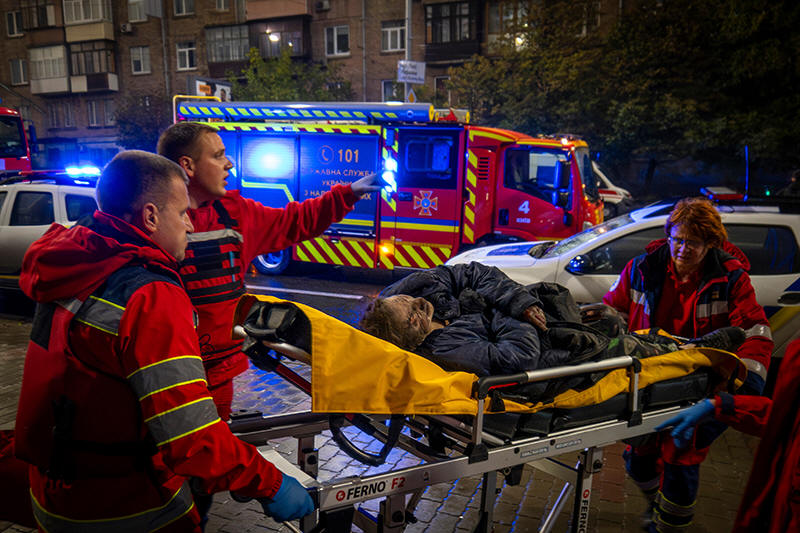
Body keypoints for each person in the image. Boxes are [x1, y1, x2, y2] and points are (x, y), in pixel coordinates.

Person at [14, 151, 313, 531]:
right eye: (182, 212)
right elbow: (191, 437)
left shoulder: (76, 260)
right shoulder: (150, 295)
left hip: (53, 495)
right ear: (151, 216)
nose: (190, 224)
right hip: (127, 508)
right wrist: (269, 482)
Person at [157, 121, 381, 421]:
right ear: (188, 165)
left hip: (219, 372)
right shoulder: (155, 220)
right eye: (218, 155)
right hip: (169, 371)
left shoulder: (235, 213)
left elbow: (294, 221)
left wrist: (348, 194)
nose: (229, 163)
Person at [603, 196, 773, 533]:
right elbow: (615, 310)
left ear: (710, 243)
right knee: (638, 458)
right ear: (668, 236)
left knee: (681, 456)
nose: (683, 249)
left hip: (698, 387)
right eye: (677, 239)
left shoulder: (730, 279)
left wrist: (748, 385)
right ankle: (656, 504)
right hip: (647, 382)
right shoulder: (641, 269)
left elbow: (755, 331)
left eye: (693, 242)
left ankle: (670, 527)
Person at [359, 261, 744, 401]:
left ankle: (671, 342)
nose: (413, 297)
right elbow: (518, 358)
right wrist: (506, 311)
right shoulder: (448, 347)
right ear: (414, 324)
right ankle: (694, 353)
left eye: (403, 297)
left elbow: (471, 272)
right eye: (408, 304)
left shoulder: (415, 298)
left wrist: (516, 301)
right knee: (623, 348)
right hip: (547, 365)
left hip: (537, 337)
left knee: (608, 321)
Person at [656, 338, 800, 532]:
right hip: (781, 495)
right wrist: (722, 405)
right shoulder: (796, 354)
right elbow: (783, 417)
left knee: (680, 469)